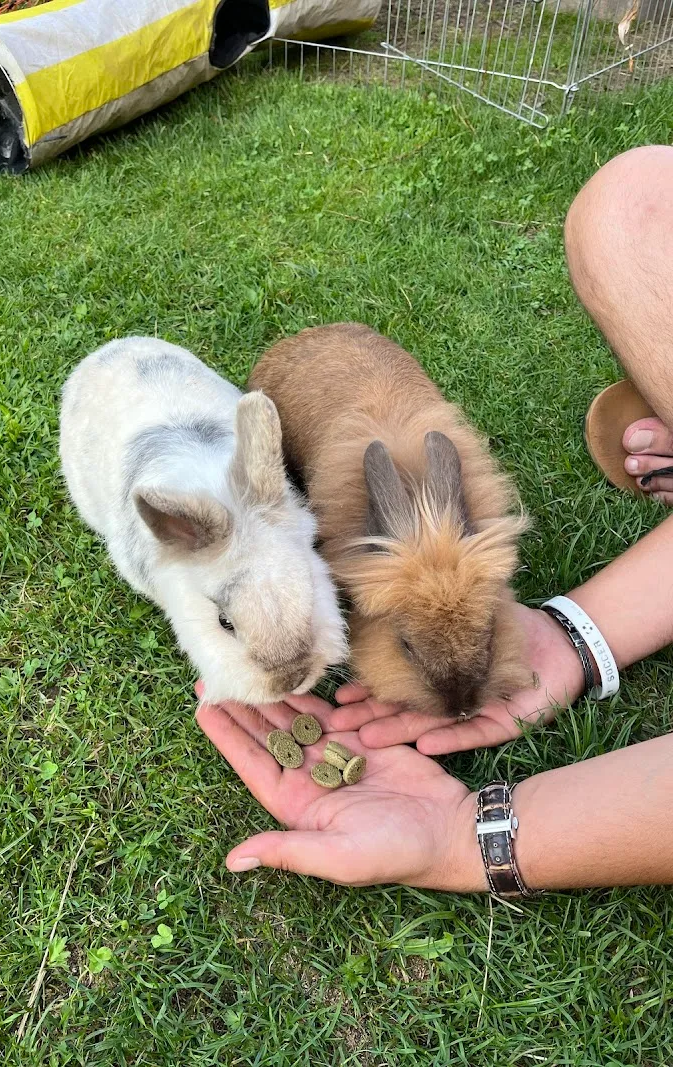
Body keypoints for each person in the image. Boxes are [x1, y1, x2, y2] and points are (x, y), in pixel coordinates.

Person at [196, 146, 673, 895]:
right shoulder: (341, 529)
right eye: (409, 645)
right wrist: (581, 634)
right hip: (310, 391)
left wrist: (458, 840)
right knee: (626, 202)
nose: (460, 696)